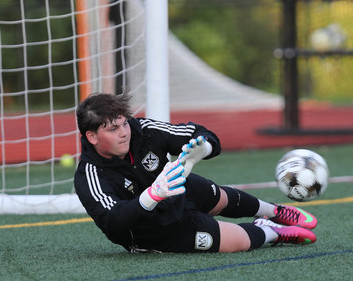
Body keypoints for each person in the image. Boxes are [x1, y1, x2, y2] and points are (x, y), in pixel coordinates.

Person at [72, 92, 318, 254]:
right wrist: (151, 196)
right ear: (92, 136)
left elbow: (200, 133)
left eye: (124, 123)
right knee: (240, 242)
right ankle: (271, 231)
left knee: (217, 196)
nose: (124, 132)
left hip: (176, 192)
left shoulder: (143, 129)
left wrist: (204, 147)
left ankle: (274, 211)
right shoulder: (89, 176)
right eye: (113, 129)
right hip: (156, 230)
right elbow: (114, 220)